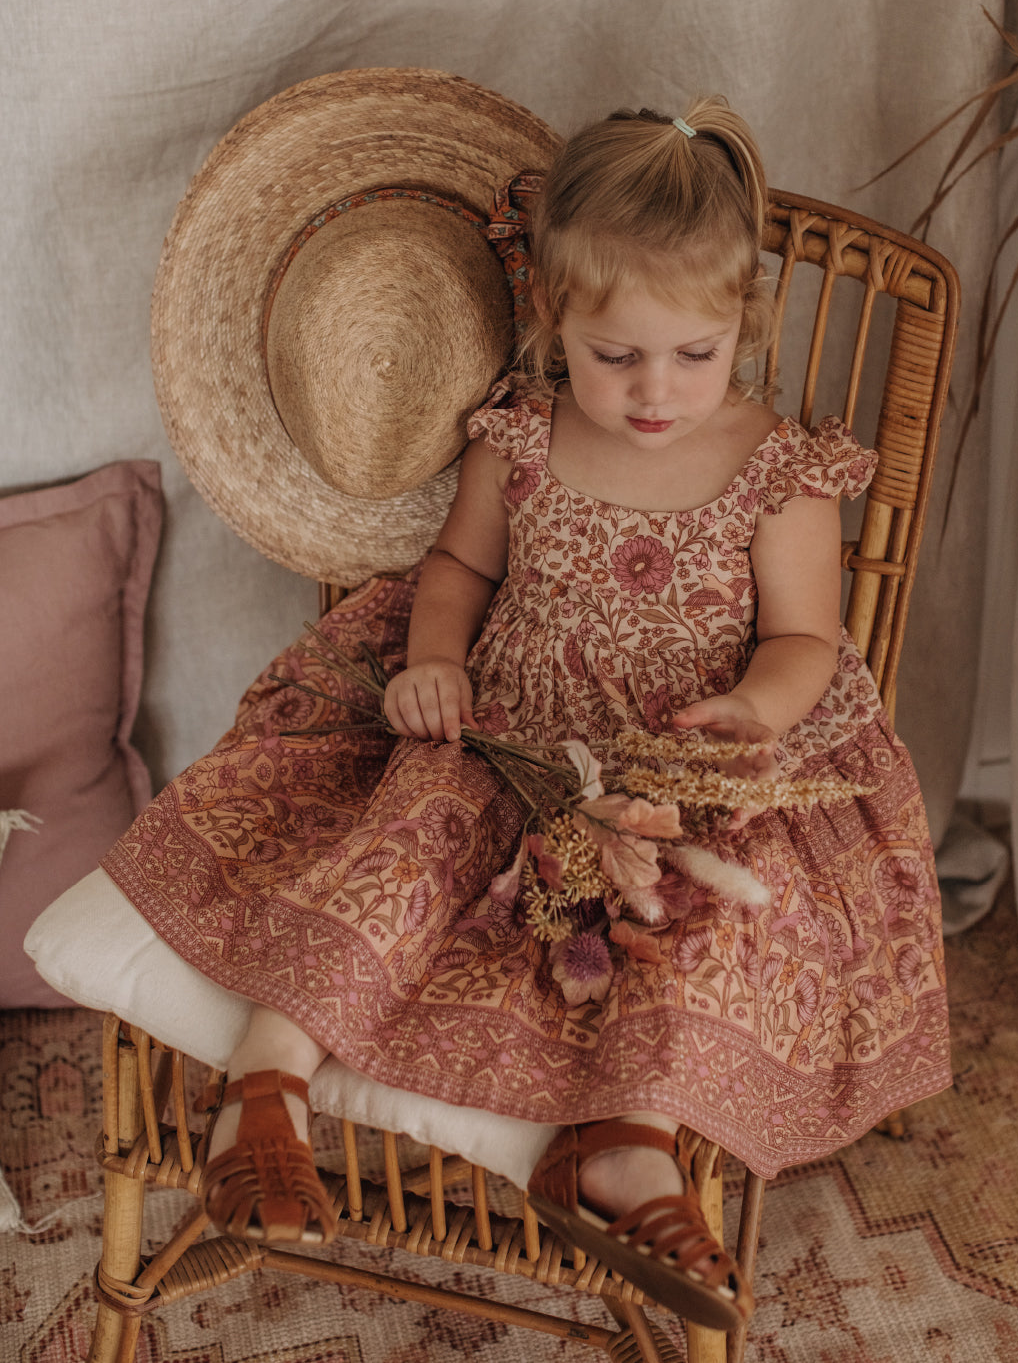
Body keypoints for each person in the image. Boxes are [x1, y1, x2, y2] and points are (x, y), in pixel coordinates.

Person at [102, 94, 950, 1333]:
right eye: (618, 357)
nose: (656, 390)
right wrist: (434, 659)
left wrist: (752, 710)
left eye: (693, 355)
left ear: (740, 326)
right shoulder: (524, 437)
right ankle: (266, 1090)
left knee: (697, 914)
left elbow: (806, 638)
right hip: (513, 736)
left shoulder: (781, 471)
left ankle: (623, 1141)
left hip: (675, 763)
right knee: (407, 838)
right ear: (556, 319)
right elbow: (457, 573)